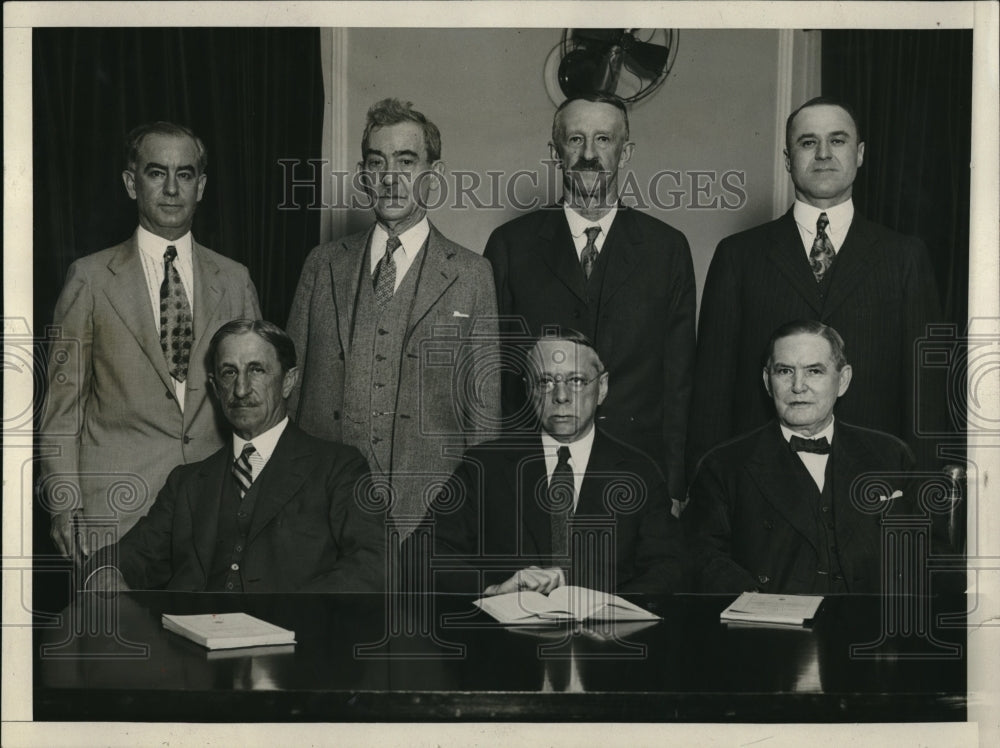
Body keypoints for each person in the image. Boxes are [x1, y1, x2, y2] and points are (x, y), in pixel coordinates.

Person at [39, 121, 261, 560]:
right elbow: (61, 411)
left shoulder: (234, 281)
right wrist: (65, 507)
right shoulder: (90, 279)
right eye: (157, 173)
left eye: (185, 174)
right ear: (131, 183)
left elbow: (259, 407)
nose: (172, 189)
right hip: (114, 518)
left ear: (201, 186)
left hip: (214, 516)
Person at [688, 96, 944, 476]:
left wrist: (923, 498)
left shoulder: (904, 256)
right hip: (761, 486)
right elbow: (712, 390)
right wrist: (705, 491)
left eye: (837, 141)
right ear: (789, 159)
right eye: (808, 143)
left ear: (859, 154)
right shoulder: (738, 256)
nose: (823, 154)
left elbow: (927, 395)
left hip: (872, 485)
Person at [287, 98, 499, 539]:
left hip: (429, 514)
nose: (390, 178)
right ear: (364, 175)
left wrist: (477, 521)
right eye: (376, 162)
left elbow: (483, 422)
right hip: (321, 510)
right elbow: (289, 392)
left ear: (433, 176)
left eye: (406, 161)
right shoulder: (321, 265)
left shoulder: (471, 274)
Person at [483, 93, 696, 509]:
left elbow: (679, 381)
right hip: (533, 472)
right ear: (555, 151)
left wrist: (673, 483)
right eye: (576, 140)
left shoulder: (666, 249)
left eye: (603, 139)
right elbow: (496, 374)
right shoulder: (511, 246)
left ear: (625, 151)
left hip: (637, 473)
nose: (589, 154)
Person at [83, 320, 385, 593]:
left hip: (293, 644)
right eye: (230, 373)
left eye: (256, 370)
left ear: (288, 381)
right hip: (189, 649)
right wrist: (106, 573)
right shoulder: (187, 483)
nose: (241, 389)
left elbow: (372, 565)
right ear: (215, 387)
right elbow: (129, 556)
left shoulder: (338, 468)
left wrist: (293, 616)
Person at [427, 331, 685, 596]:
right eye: (546, 381)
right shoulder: (484, 467)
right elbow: (422, 554)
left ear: (602, 388)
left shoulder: (640, 472)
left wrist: (604, 611)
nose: (561, 396)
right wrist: (492, 590)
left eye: (576, 380)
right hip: (506, 632)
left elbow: (667, 568)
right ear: (528, 389)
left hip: (607, 633)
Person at [684, 320, 917, 594]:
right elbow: (702, 557)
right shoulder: (724, 466)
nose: (798, 386)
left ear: (843, 380)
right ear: (767, 382)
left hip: (871, 627)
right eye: (784, 371)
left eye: (814, 371)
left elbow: (924, 552)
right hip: (770, 628)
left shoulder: (890, 456)